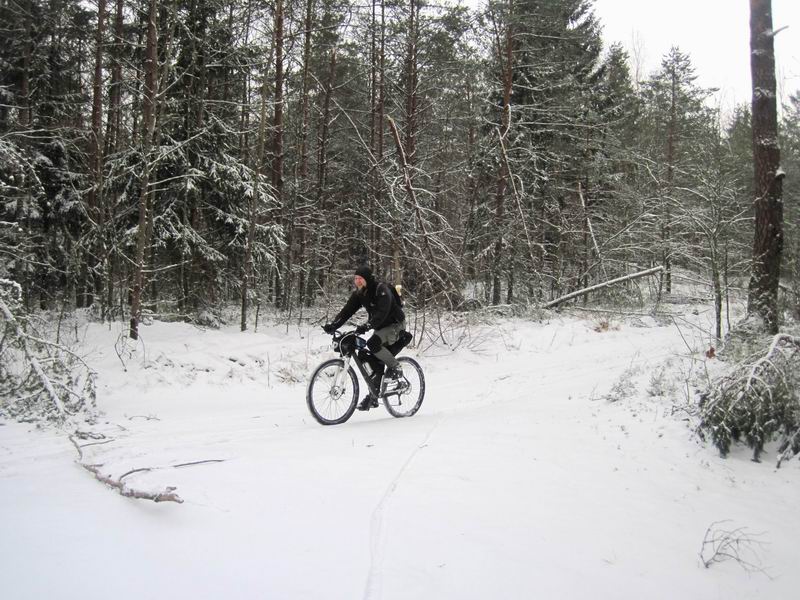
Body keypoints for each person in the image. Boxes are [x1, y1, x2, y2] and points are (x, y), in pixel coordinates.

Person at [323, 266, 406, 410]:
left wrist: (368, 325)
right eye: (355, 279)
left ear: (367, 279)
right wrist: (334, 325)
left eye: (360, 278)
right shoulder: (360, 294)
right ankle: (373, 396)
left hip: (395, 324)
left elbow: (383, 312)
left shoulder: (381, 290)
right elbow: (347, 310)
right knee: (366, 355)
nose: (357, 281)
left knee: (373, 343)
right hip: (380, 327)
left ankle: (395, 367)